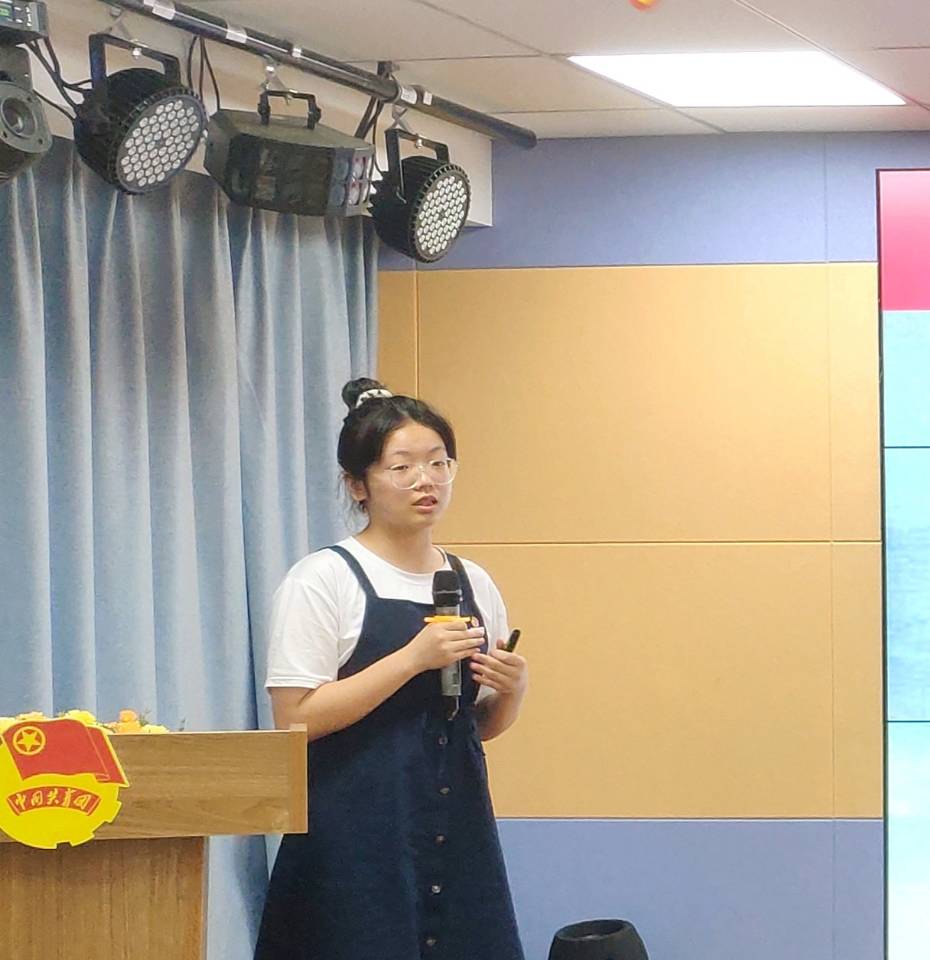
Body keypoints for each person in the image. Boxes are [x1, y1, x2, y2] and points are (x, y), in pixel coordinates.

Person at [254, 377, 528, 960]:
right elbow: (294, 719)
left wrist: (510, 692)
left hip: (456, 829)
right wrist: (412, 659)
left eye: (438, 463)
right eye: (402, 467)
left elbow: (472, 726)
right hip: (351, 840)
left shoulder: (473, 582)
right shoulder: (323, 579)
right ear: (358, 485)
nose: (426, 480)